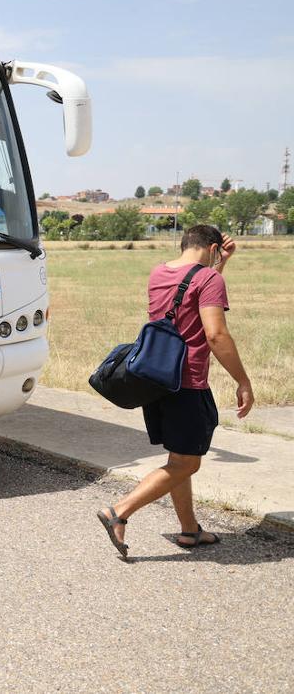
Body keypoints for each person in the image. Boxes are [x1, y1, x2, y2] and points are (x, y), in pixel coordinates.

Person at [96, 225, 254, 559]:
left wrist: (219, 264)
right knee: (186, 464)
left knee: (178, 457)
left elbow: (189, 295)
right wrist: (243, 380)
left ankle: (189, 530)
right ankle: (119, 512)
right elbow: (215, 335)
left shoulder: (159, 273)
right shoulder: (210, 279)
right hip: (187, 383)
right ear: (212, 247)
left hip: (155, 382)